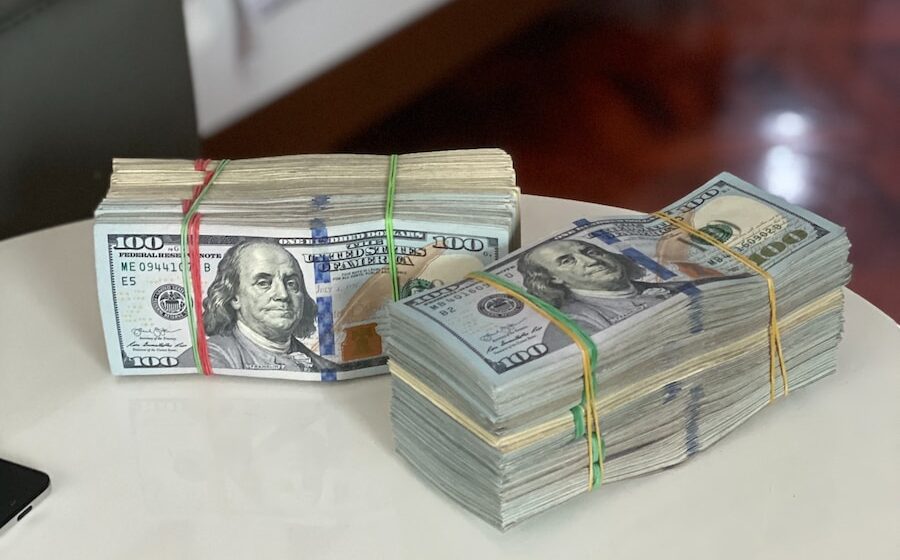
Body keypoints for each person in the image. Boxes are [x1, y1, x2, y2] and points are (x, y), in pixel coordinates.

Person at [180, 240, 338, 372]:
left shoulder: (327, 369)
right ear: (234, 297)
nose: (283, 295)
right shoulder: (206, 359)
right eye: (263, 283)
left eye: (291, 284)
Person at [517, 239, 696, 334]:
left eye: (591, 252)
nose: (591, 261)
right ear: (553, 278)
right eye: (567, 261)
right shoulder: (573, 325)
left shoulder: (680, 287)